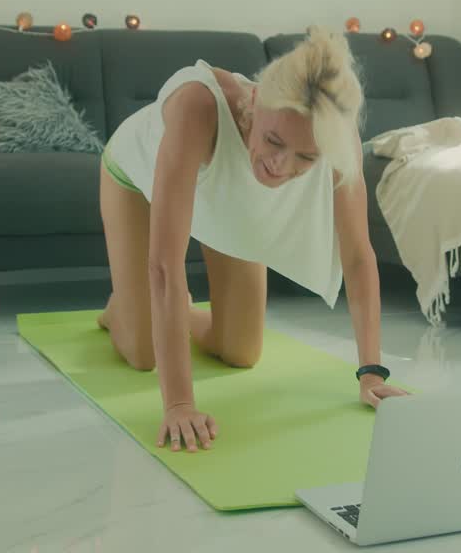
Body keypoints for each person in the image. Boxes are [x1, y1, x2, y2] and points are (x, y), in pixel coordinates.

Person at [98, 27, 408, 453]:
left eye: (306, 157)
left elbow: (356, 256)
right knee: (142, 353)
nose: (280, 167)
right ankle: (123, 309)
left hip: (221, 200)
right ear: (255, 100)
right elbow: (165, 266)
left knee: (241, 351)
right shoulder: (197, 104)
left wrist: (371, 373)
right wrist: (180, 405)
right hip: (137, 179)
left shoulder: (337, 138)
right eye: (274, 140)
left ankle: (163, 313)